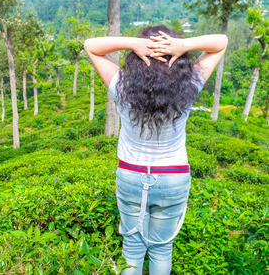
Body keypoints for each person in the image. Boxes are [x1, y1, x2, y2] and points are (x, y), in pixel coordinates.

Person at [84, 25, 228, 275]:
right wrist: (182, 46)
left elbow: (91, 46)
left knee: (132, 248)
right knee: (162, 249)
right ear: (178, 61)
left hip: (130, 173)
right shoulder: (190, 84)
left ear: (138, 60)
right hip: (173, 177)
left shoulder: (122, 85)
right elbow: (221, 41)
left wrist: (134, 43)